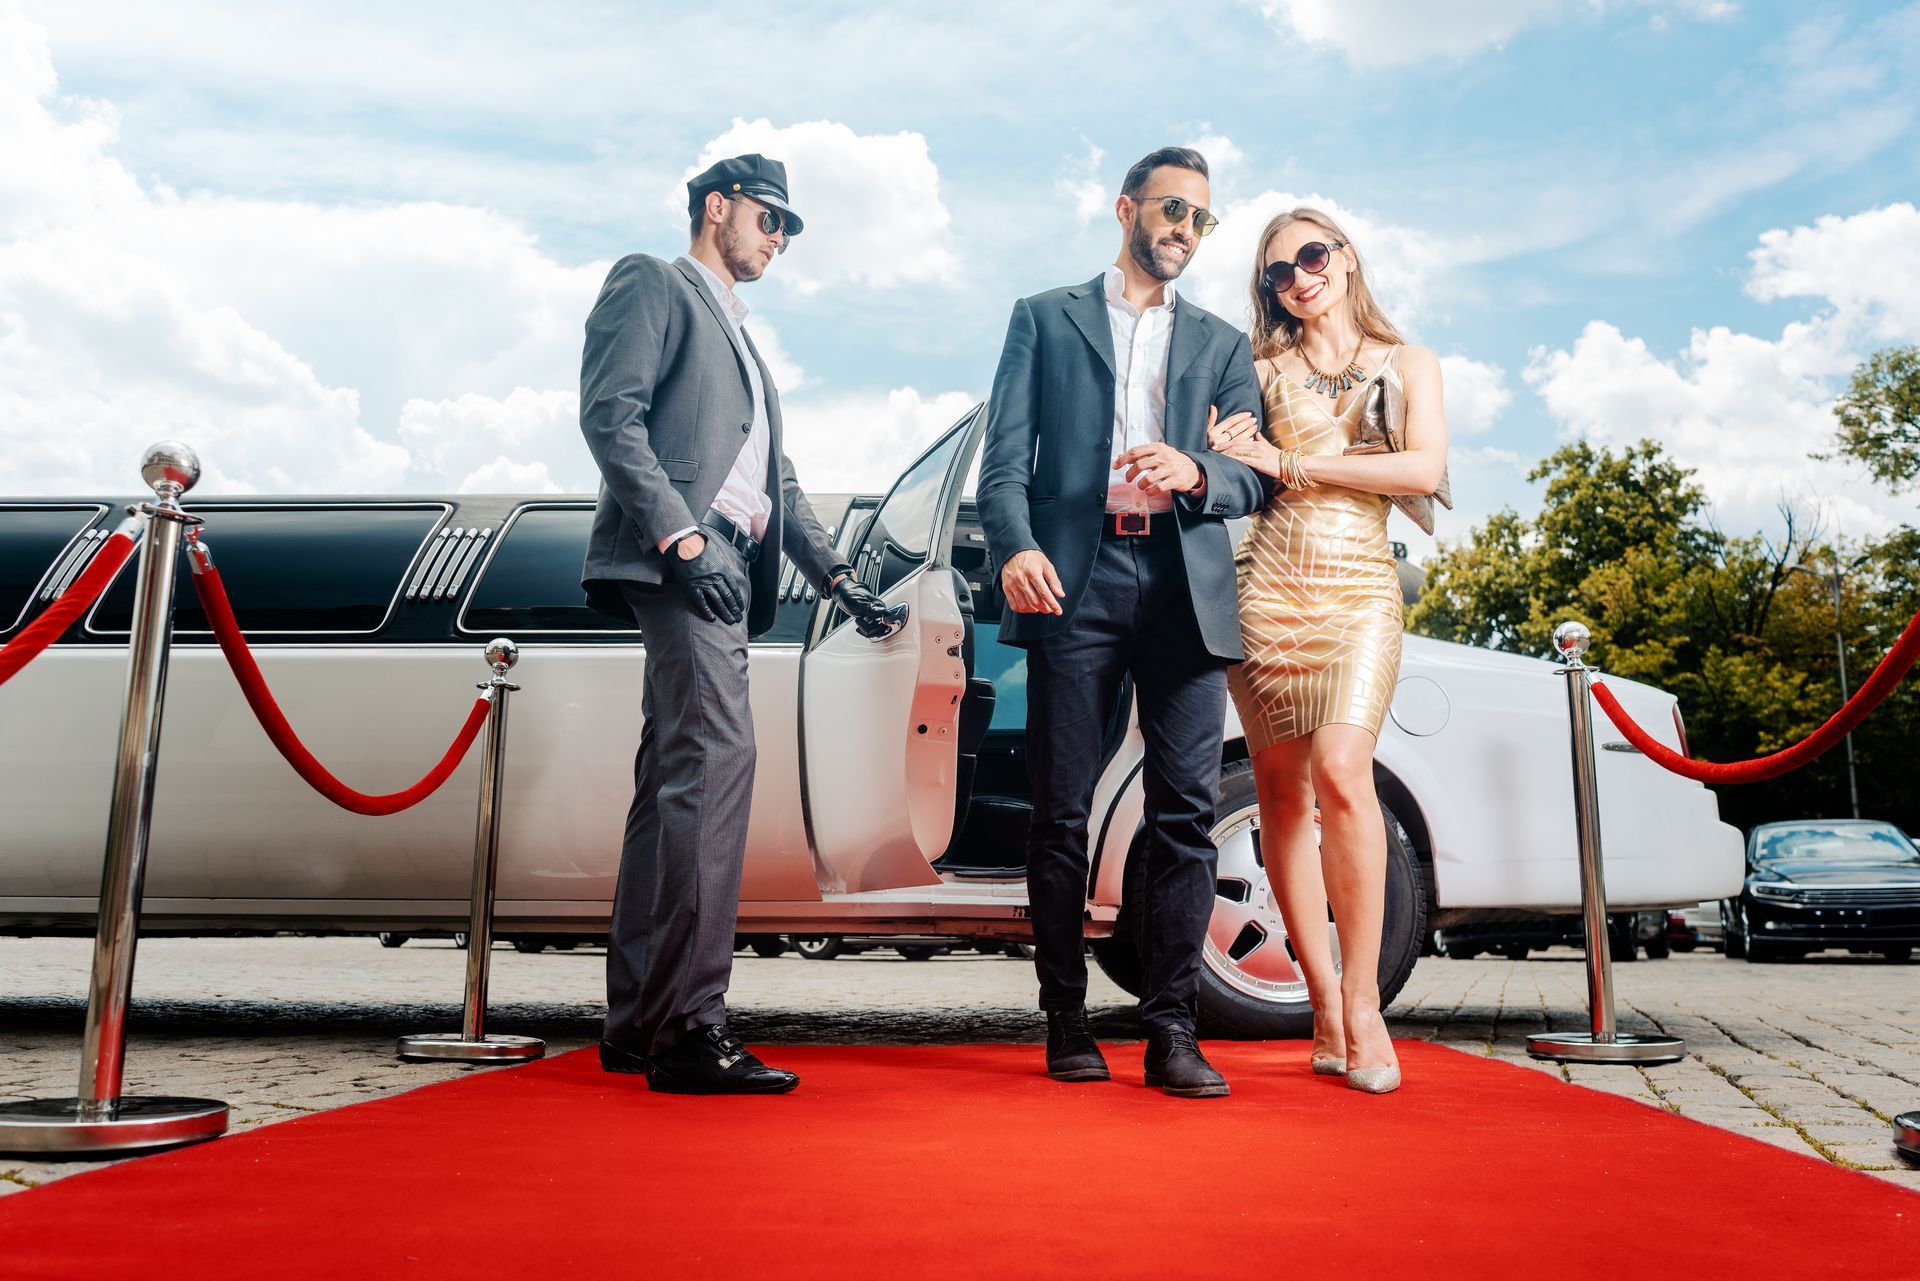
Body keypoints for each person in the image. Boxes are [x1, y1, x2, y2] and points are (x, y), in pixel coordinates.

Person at [577, 153, 892, 1095]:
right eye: (769, 218)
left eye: (789, 227)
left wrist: (835, 573)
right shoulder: (655, 282)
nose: (780, 238)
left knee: (674, 786)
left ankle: (638, 1021)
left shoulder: (747, 345)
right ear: (718, 208)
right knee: (713, 776)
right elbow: (609, 416)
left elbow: (776, 487)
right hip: (687, 560)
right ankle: (689, 1029)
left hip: (722, 561)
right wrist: (680, 538)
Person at [979, 146, 1269, 1099]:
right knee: (1061, 809)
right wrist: (1017, 545)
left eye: (1201, 218)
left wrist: (1200, 472)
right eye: (1172, 209)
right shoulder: (1043, 318)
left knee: (1186, 810)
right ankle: (1065, 1016)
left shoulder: (1225, 345)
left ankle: (1172, 1028)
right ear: (1125, 208)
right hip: (1076, 576)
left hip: (1184, 580)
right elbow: (1003, 466)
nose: (1185, 229)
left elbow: (1254, 470)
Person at [1207, 207, 1449, 1094]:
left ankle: (1363, 1001)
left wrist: (1292, 464)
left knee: (1346, 772)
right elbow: (1236, 470)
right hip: (1267, 588)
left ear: (1345, 258)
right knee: (1279, 791)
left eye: (1313, 255)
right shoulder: (1258, 369)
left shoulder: (1409, 361)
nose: (1299, 276)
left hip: (1358, 591)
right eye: (1278, 271)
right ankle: (1321, 1000)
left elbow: (1420, 472)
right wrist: (1230, 452)